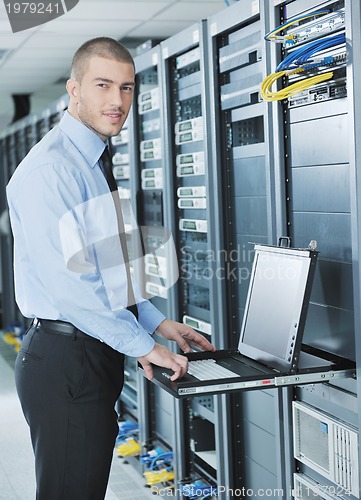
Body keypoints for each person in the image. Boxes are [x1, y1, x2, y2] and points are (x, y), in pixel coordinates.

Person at [6, 37, 215, 500]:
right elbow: (73, 290)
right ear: (74, 90)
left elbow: (105, 267)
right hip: (66, 359)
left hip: (88, 351)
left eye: (126, 87)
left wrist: (157, 323)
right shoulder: (53, 171)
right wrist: (145, 347)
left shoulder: (93, 160)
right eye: (103, 85)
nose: (117, 100)